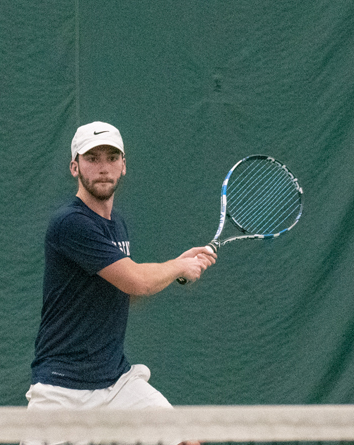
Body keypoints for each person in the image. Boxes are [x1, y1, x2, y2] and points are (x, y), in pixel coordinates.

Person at [27, 121, 216, 418]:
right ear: (74, 167)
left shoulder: (117, 224)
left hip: (117, 382)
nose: (103, 168)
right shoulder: (71, 223)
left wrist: (173, 270)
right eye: (92, 159)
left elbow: (125, 292)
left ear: (123, 165)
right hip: (62, 389)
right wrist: (179, 265)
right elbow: (136, 282)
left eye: (112, 158)